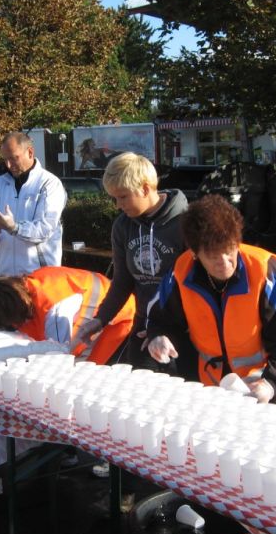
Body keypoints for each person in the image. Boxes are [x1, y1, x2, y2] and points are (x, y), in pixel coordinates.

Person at [146, 194, 276, 408]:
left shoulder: (264, 270)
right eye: (212, 255)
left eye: (229, 250)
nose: (224, 262)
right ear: (194, 253)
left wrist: (269, 383)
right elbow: (160, 319)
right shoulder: (181, 272)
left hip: (267, 383)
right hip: (212, 386)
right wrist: (158, 337)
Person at [72, 152, 189, 370]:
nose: (117, 205)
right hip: (143, 325)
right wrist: (100, 320)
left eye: (123, 197)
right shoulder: (123, 226)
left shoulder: (185, 222)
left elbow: (196, 287)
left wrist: (165, 330)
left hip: (182, 332)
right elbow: (122, 281)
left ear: (145, 188)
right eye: (114, 198)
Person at [0, 266, 136, 365]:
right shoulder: (28, 287)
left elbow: (59, 356)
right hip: (100, 309)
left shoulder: (55, 313)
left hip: (120, 318)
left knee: (88, 375)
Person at [0, 132, 67, 277]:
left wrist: (14, 227)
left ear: (30, 153)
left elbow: (45, 229)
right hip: (6, 276)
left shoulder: (49, 183)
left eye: (13, 158)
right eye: (5, 159)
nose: (8, 165)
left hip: (40, 277)